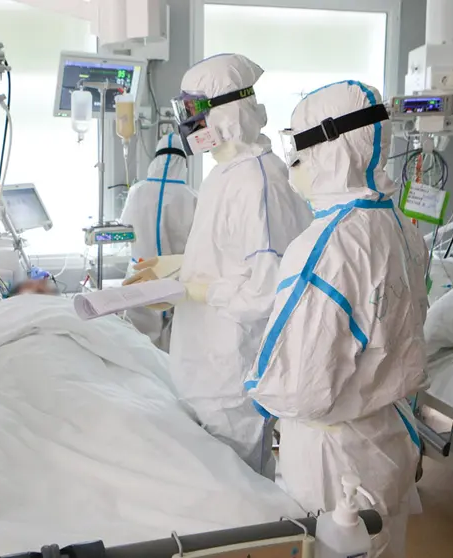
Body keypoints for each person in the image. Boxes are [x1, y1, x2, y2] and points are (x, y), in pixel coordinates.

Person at [245, 80, 429, 558]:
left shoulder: (328, 247)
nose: (293, 164)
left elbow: (300, 387)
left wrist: (257, 395)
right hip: (385, 439)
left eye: (299, 150)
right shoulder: (400, 226)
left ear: (330, 149)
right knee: (385, 546)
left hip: (335, 460)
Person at [130, 54, 311, 473]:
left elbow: (267, 290)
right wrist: (175, 267)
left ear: (228, 111)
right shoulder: (226, 174)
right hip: (203, 366)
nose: (187, 124)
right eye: (184, 112)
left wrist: (195, 289)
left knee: (240, 493)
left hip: (231, 374)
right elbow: (228, 254)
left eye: (194, 111)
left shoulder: (259, 183)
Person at [119, 133, 195, 349]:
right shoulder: (192, 197)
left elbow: (126, 230)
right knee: (174, 348)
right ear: (184, 162)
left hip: (140, 275)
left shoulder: (137, 191)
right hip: (177, 279)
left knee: (139, 349)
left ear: (155, 160)